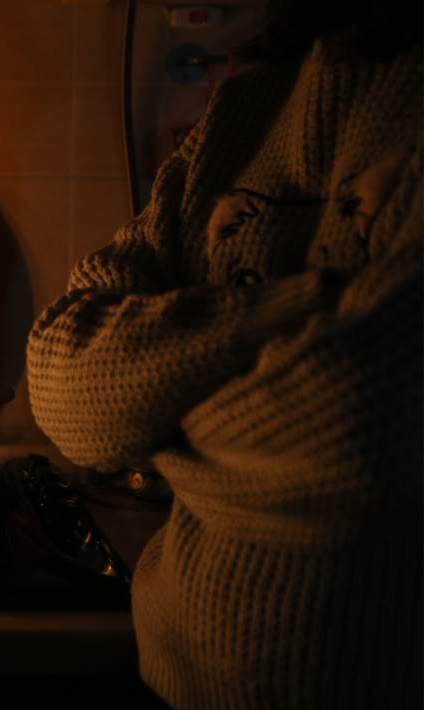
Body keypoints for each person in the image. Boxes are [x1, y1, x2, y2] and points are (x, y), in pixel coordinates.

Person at [26, 1, 422, 707]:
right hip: (170, 676)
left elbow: (360, 431)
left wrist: (155, 409)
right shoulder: (245, 108)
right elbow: (64, 385)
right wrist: (314, 307)